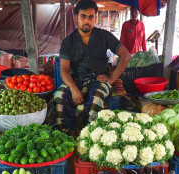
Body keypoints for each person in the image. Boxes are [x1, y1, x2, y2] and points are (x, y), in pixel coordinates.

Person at [53, 0, 131, 133]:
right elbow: (63, 70)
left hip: (100, 78)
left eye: (91, 17)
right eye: (83, 16)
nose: (87, 21)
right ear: (76, 17)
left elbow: (126, 55)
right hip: (76, 79)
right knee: (59, 96)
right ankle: (66, 134)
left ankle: (93, 135)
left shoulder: (105, 36)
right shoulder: (68, 42)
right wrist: (73, 88)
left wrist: (111, 79)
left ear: (96, 18)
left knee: (95, 99)